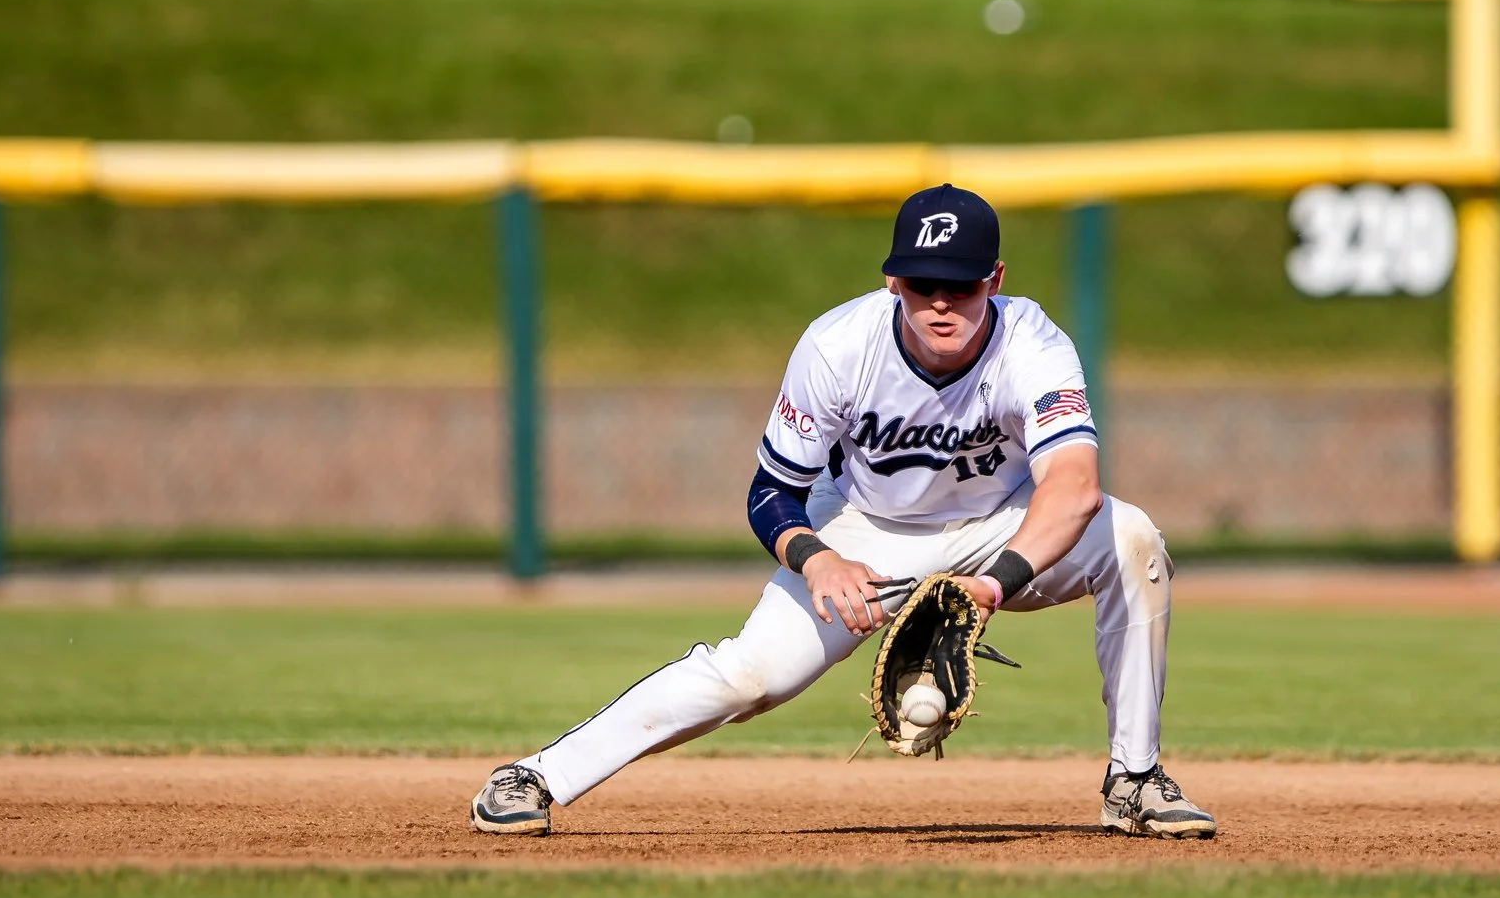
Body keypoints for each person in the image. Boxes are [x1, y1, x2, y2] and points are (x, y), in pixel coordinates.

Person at [468, 182, 1216, 840]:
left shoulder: (1033, 344)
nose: (943, 302)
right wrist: (815, 557)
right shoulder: (837, 347)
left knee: (1133, 541)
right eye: (925, 283)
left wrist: (995, 582)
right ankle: (534, 777)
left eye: (962, 284)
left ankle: (1135, 779)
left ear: (997, 278)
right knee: (750, 679)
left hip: (1001, 527)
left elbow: (1075, 487)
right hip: (862, 531)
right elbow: (770, 494)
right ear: (894, 280)